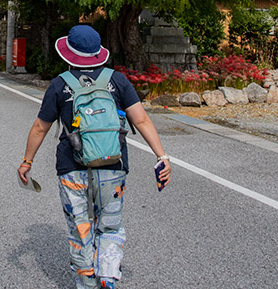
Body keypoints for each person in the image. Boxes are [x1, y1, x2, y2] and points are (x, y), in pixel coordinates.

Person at [17, 25, 171, 289]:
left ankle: (87, 281)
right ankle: (108, 277)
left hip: (72, 168)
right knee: (109, 226)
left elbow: (40, 127)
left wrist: (27, 161)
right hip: (113, 166)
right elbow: (141, 119)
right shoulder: (118, 80)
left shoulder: (60, 85)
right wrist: (161, 156)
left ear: (69, 54)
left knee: (81, 227)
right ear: (97, 53)